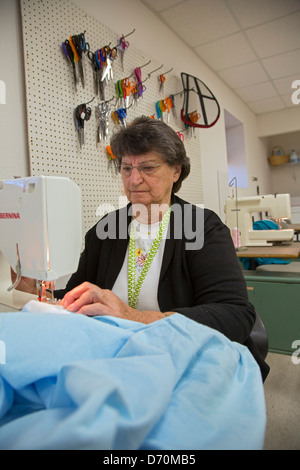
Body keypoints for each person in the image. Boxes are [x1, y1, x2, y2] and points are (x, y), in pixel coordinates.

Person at [16, 116, 269, 380]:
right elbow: (76, 293)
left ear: (176, 171)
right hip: (118, 354)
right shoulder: (106, 229)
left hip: (182, 357)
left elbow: (235, 315)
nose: (134, 180)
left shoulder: (202, 227)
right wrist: (34, 290)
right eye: (126, 168)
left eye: (147, 168)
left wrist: (134, 317)